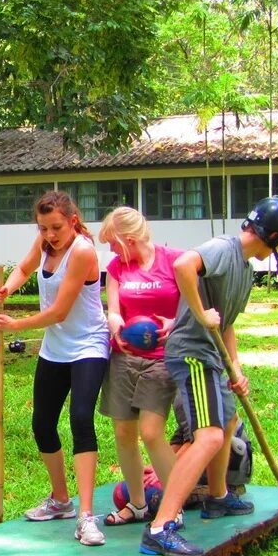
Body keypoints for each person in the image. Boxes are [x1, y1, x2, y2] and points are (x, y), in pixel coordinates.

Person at [140, 196, 278, 556]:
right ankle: (161, 528)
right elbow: (183, 265)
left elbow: (225, 324)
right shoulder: (225, 248)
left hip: (212, 356)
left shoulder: (243, 267)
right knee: (209, 436)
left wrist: (236, 370)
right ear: (273, 236)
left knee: (227, 423)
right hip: (192, 354)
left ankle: (218, 497)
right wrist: (199, 312)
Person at [0, 191, 110, 547]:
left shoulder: (84, 251)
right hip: (56, 349)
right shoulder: (44, 244)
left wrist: (15, 325)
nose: (50, 235)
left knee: (80, 419)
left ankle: (86, 516)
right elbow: (25, 268)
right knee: (42, 423)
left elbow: (59, 311)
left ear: (72, 221)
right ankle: (61, 500)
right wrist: (7, 288)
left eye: (56, 227)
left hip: (88, 345)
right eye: (43, 228)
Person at [97, 206, 180, 526]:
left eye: (113, 243)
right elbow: (114, 309)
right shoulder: (117, 267)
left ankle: (173, 508)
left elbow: (196, 300)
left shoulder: (174, 260)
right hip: (123, 358)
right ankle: (139, 504)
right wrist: (115, 323)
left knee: (152, 432)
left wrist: (175, 321)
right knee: (123, 432)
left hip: (161, 359)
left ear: (129, 239)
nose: (111, 251)